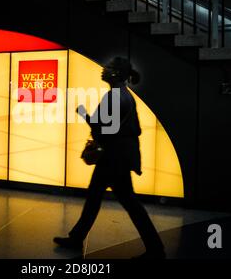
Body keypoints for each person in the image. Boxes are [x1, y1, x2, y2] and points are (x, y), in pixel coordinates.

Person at [53, 57, 165, 259]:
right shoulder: (124, 96)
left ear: (116, 74)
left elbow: (101, 129)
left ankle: (155, 249)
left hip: (114, 158)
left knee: (122, 202)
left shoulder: (115, 97)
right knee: (100, 197)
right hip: (118, 156)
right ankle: (77, 237)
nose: (105, 70)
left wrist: (83, 113)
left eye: (110, 68)